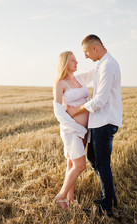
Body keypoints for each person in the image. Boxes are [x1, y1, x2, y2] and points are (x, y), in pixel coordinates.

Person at [67, 34, 122, 216]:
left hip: (104, 122)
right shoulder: (101, 65)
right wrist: (64, 80)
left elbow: (99, 101)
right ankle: (109, 196)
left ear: (94, 48)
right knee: (93, 158)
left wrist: (77, 110)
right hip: (99, 122)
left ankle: (106, 207)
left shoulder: (108, 65)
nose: (85, 57)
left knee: (102, 163)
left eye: (86, 52)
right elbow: (84, 78)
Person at [53, 51, 97, 210]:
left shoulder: (79, 78)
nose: (77, 62)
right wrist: (76, 127)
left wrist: (103, 59)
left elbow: (95, 72)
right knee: (80, 165)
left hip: (84, 130)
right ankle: (60, 196)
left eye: (76, 60)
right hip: (72, 131)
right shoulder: (61, 83)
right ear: (65, 63)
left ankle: (70, 200)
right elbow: (58, 111)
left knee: (71, 164)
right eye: (73, 60)